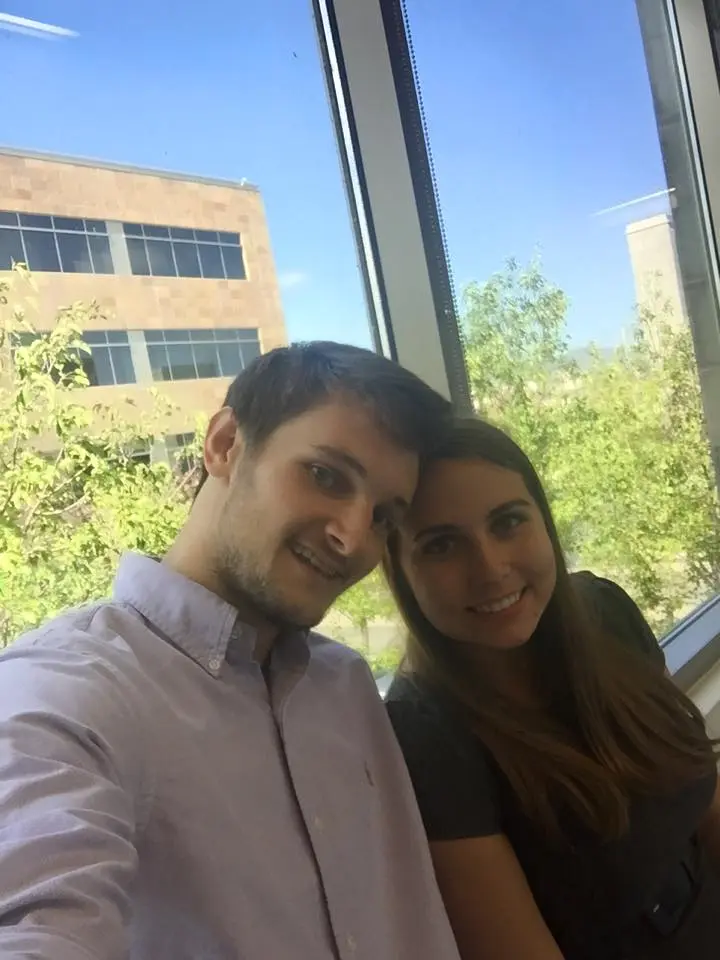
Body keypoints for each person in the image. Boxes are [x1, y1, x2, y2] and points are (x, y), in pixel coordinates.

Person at [0, 341, 462, 960]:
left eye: (383, 517)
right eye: (325, 475)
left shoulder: (345, 685)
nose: (352, 536)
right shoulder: (68, 691)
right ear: (223, 444)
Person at [384, 415, 720, 960]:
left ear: (543, 521)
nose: (490, 569)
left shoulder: (605, 614)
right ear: (400, 570)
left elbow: (699, 794)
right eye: (442, 545)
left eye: (508, 522)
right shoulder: (424, 740)